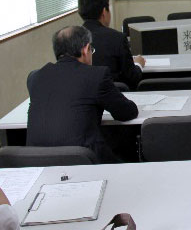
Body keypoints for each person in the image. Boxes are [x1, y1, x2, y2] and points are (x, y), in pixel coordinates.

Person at [27, 26, 138, 162]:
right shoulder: (96, 76)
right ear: (85, 49)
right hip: (83, 160)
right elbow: (127, 113)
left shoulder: (35, 77)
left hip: (36, 161)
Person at [78, 0, 146, 90]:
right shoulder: (117, 38)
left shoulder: (72, 38)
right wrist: (138, 63)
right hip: (115, 96)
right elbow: (132, 77)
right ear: (104, 12)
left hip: (83, 96)